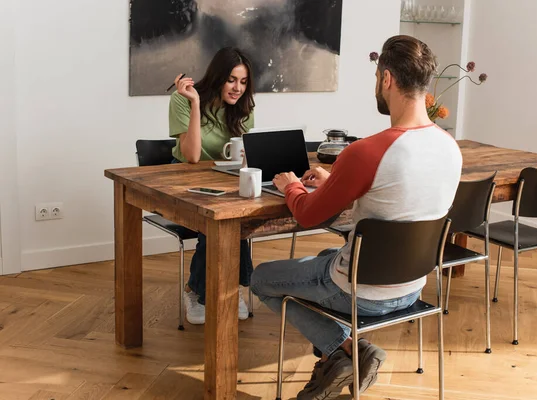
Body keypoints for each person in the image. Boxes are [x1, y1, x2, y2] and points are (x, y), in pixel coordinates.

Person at [250, 35, 463, 399]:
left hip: (360, 292)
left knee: (261, 278)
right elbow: (398, 199)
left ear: (386, 79)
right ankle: (347, 355)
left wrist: (290, 186)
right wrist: (337, 182)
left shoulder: (367, 151)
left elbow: (306, 216)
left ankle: (345, 351)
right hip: (413, 287)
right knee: (321, 259)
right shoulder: (449, 147)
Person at [169, 47, 255, 325]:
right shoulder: (182, 99)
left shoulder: (243, 108)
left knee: (239, 219)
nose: (237, 88)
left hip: (223, 180)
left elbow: (243, 154)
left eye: (243, 82)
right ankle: (199, 292)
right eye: (232, 79)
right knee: (217, 222)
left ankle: (228, 290)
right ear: (218, 76)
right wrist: (195, 104)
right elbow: (192, 156)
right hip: (183, 180)